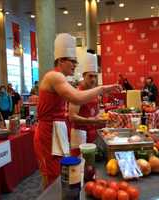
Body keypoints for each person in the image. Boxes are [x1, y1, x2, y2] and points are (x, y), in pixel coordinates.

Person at [34, 33, 121, 188]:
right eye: (72, 61)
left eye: (76, 62)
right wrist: (102, 88)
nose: (75, 65)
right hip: (48, 131)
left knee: (61, 173)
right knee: (51, 174)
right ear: (61, 60)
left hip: (57, 129)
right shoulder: (54, 76)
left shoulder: (61, 78)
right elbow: (77, 98)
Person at [68, 53, 106, 155]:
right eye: (90, 76)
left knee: (91, 163)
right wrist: (89, 121)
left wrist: (100, 118)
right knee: (79, 163)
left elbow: (96, 112)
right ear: (84, 76)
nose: (93, 79)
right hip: (79, 132)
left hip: (92, 132)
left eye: (95, 76)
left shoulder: (94, 91)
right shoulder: (77, 92)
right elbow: (71, 116)